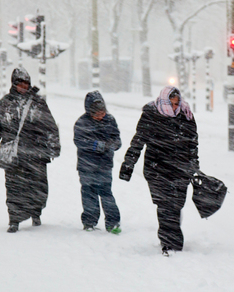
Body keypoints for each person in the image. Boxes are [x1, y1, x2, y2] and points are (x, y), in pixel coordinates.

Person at [0, 67, 60, 233]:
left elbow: (50, 126)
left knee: (37, 187)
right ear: (13, 84)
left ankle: (35, 212)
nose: (23, 87)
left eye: (25, 84)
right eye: (19, 83)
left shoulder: (38, 102)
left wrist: (53, 146)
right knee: (14, 187)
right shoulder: (5, 103)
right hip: (14, 156)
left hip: (36, 155)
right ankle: (14, 219)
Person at [119, 86, 199, 256]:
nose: (175, 107)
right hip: (157, 169)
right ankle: (171, 243)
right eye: (172, 104)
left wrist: (194, 167)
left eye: (177, 104)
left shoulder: (186, 115)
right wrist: (128, 164)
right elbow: (138, 141)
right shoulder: (151, 115)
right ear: (164, 101)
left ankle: (171, 237)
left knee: (175, 206)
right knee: (164, 206)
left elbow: (193, 144)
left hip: (180, 169)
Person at [74, 91, 122, 233]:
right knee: (89, 193)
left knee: (106, 193)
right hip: (86, 165)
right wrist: (96, 145)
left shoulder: (110, 120)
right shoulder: (82, 122)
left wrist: (112, 145)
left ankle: (112, 222)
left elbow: (117, 140)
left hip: (104, 165)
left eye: (102, 113)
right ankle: (89, 221)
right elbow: (79, 141)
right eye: (97, 114)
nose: (101, 116)